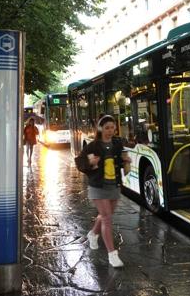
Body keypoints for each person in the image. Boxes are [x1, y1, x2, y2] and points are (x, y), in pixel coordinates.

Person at [77, 114, 131, 267]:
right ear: (100, 128)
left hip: (114, 186)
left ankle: (93, 234)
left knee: (105, 215)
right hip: (97, 187)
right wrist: (89, 161)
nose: (110, 131)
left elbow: (120, 161)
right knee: (107, 218)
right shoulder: (93, 146)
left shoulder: (117, 143)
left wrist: (125, 161)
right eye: (107, 128)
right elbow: (79, 162)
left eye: (113, 128)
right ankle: (112, 255)